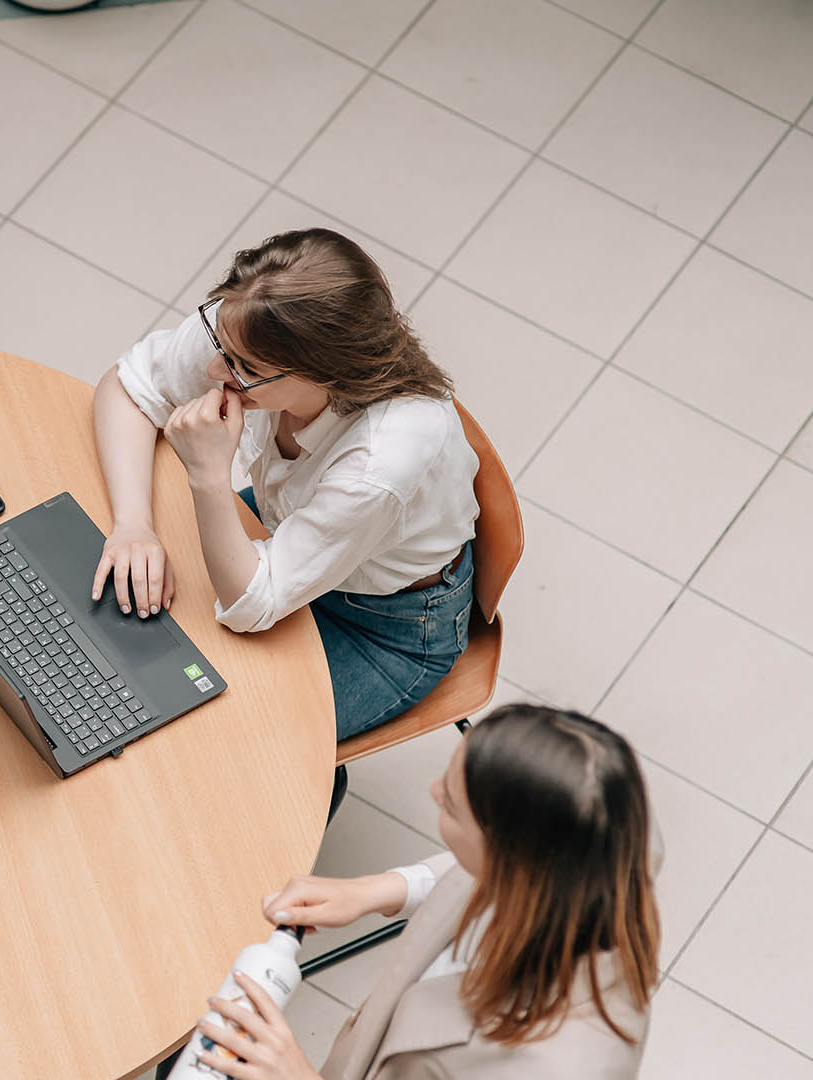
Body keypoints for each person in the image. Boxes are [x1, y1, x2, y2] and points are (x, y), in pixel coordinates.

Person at [92, 229, 478, 740]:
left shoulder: (381, 461)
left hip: (385, 622)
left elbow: (252, 604)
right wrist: (133, 525)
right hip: (290, 530)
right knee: (132, 657)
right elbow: (129, 386)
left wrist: (208, 476)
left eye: (244, 368)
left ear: (325, 374)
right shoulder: (252, 325)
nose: (215, 370)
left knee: (229, 740)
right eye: (220, 347)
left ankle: (324, 789)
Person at [180, 704, 660, 1079]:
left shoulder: (566, 1068)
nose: (432, 791)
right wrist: (381, 890)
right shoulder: (601, 842)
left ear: (509, 854)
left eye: (451, 805)